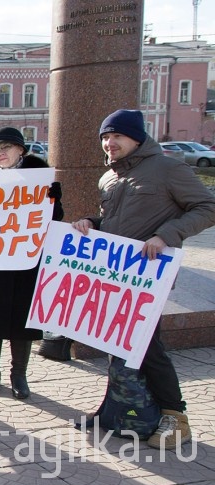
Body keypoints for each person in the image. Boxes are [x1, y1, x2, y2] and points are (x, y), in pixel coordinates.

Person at [73, 109, 215, 449]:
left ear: (137, 137)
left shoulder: (167, 168)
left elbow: (207, 207)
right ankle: (114, 411)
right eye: (105, 137)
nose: (109, 143)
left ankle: (175, 418)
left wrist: (165, 235)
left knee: (148, 347)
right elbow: (114, 221)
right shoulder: (110, 177)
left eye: (116, 136)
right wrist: (91, 222)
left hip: (148, 276)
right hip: (115, 276)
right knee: (116, 344)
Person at [0, 127, 64, 400]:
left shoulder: (40, 178)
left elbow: (54, 219)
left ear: (22, 150)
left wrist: (53, 199)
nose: (2, 153)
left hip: (25, 259)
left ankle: (19, 374)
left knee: (21, 317)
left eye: (7, 147)